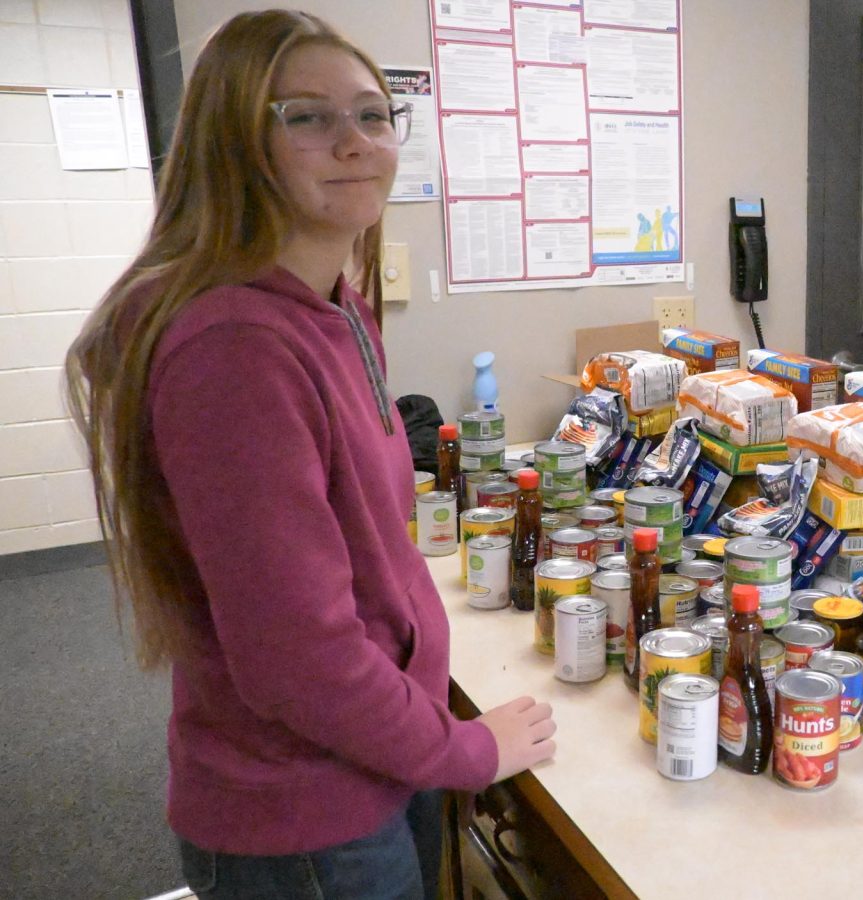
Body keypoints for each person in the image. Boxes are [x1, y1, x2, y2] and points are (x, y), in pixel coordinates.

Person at [64, 11, 555, 899]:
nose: (354, 141)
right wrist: (463, 748)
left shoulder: (334, 306)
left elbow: (362, 545)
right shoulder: (233, 347)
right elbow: (297, 658)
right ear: (233, 144)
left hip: (373, 764)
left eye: (373, 115)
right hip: (304, 819)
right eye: (307, 117)